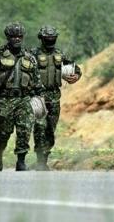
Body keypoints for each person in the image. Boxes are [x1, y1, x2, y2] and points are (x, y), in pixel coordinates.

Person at [0, 22, 43, 171]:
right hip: (5, 99)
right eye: (13, 36)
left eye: (19, 36)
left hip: (24, 99)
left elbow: (36, 80)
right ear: (8, 37)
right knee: (3, 132)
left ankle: (21, 161)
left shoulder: (30, 57)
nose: (16, 39)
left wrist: (40, 99)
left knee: (24, 130)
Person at [31, 25, 81, 170]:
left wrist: (76, 76)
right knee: (39, 129)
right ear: (42, 38)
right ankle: (40, 161)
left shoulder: (59, 54)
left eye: (53, 38)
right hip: (38, 98)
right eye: (48, 38)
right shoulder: (32, 54)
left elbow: (75, 68)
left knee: (50, 130)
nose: (50, 41)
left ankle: (43, 161)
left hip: (54, 99)